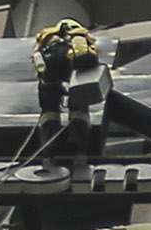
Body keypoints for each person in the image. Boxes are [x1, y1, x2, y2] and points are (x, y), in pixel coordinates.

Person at [30, 18, 108, 155]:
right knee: (79, 104)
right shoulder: (80, 35)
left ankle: (49, 143)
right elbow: (92, 53)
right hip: (73, 62)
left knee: (49, 107)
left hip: (50, 65)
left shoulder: (48, 35)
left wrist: (41, 71)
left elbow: (36, 54)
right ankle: (78, 142)